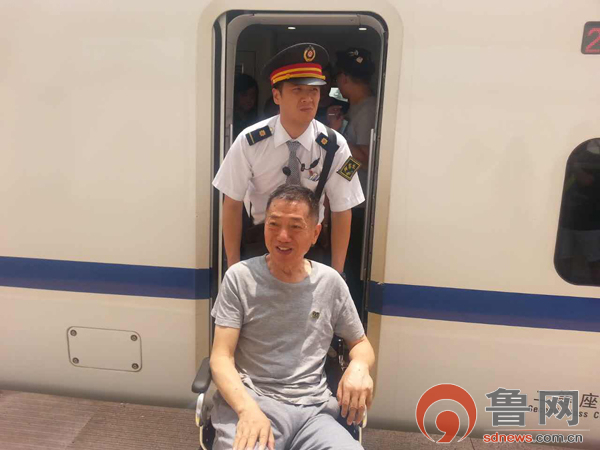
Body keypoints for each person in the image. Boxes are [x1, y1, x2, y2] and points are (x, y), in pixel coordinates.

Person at [210, 184, 375, 450]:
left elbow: (360, 343)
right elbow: (220, 357)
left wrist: (360, 367)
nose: (282, 236)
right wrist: (247, 410)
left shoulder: (330, 282)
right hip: (253, 402)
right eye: (273, 224)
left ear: (315, 233)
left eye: (296, 227)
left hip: (314, 412)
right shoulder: (239, 278)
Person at [213, 43, 364, 274]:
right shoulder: (249, 141)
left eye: (313, 91)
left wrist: (336, 274)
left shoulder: (336, 146)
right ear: (277, 95)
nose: (308, 98)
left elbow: (342, 209)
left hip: (310, 248)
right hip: (260, 243)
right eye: (297, 90)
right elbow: (232, 203)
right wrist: (233, 268)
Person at [330, 48, 377, 307]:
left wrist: (336, 138)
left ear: (344, 78)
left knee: (351, 270)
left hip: (359, 205)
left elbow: (367, 158)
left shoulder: (367, 110)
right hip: (351, 201)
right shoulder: (358, 108)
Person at [233, 73, 259, 139]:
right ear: (235, 95)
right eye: (244, 95)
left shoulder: (256, 120)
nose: (249, 99)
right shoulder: (229, 119)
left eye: (252, 95)